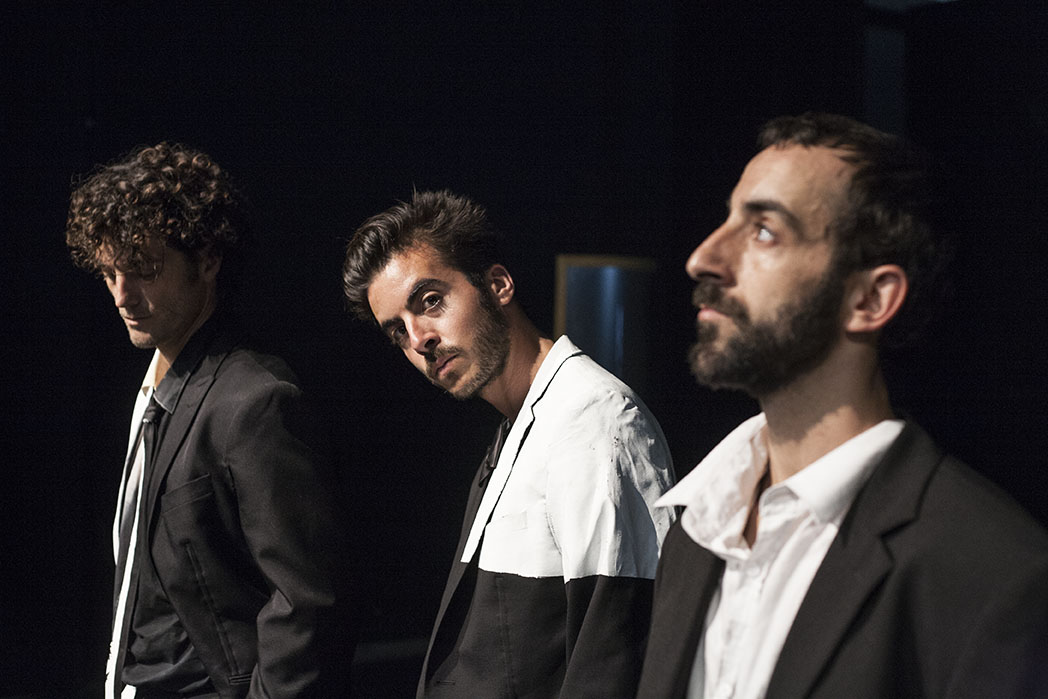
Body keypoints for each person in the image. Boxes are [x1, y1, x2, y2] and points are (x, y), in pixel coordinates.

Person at [635, 112, 1048, 698]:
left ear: (870, 299)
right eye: (728, 219)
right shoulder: (695, 529)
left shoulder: (989, 574)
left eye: (764, 231)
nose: (703, 257)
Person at [342, 190, 676, 698]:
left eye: (430, 301)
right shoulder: (523, 423)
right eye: (397, 332)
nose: (418, 339)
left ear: (497, 285)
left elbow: (615, 659)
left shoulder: (594, 421)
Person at [66, 143, 349, 698]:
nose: (121, 295)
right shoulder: (154, 386)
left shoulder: (256, 402)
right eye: (108, 272)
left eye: (143, 269)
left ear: (208, 259)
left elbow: (310, 608)